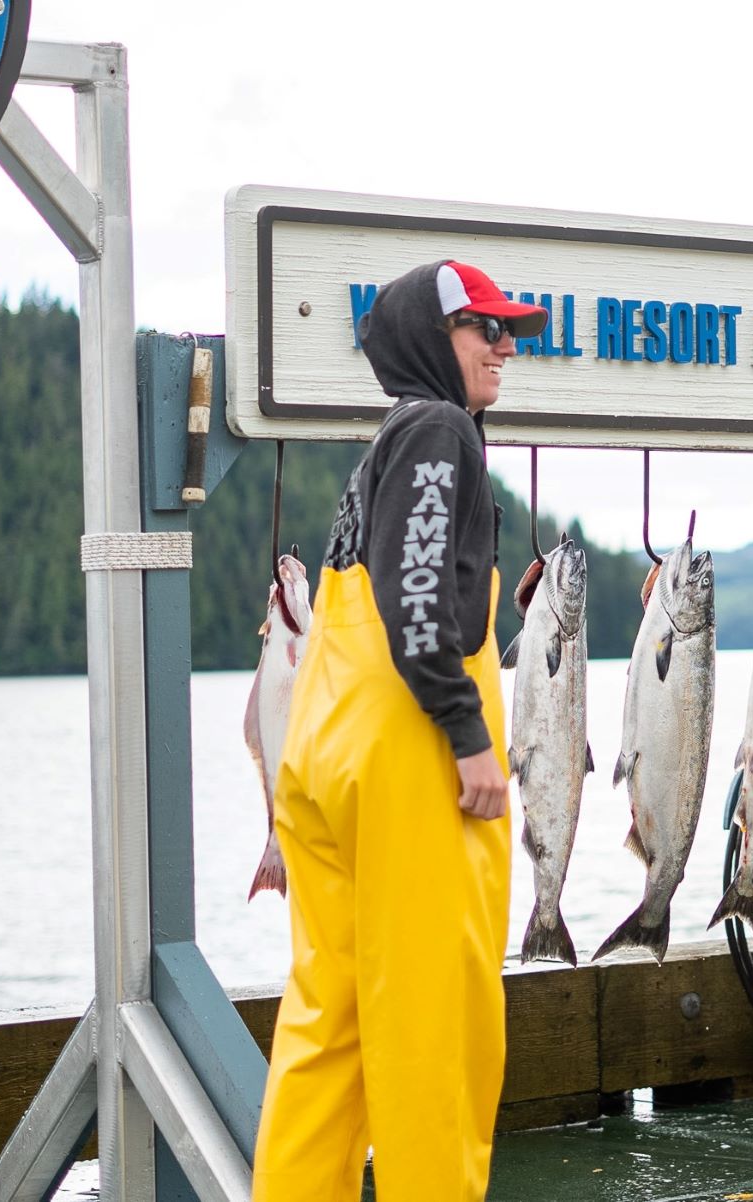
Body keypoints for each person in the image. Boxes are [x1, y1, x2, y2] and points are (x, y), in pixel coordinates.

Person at [253, 260, 547, 1202]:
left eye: (508, 331)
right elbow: (417, 592)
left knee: (327, 1031)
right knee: (434, 1035)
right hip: (407, 771)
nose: (505, 346)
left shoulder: (386, 440)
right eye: (483, 330)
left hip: (326, 757)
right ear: (432, 341)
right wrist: (468, 738)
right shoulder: (436, 428)